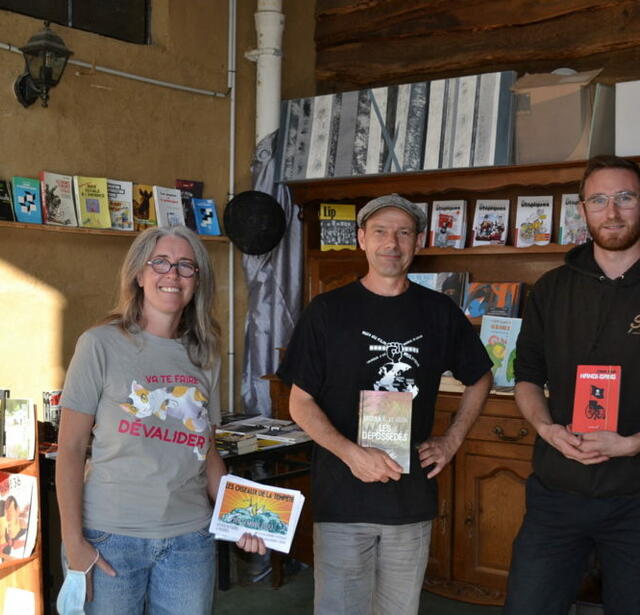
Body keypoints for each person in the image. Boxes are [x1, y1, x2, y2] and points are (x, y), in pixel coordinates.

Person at [277, 194, 492, 615]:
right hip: (342, 498)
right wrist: (352, 455)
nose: (391, 242)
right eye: (380, 231)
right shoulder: (326, 311)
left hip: (408, 500)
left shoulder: (440, 311)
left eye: (403, 232)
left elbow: (480, 376)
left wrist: (451, 440)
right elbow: (299, 402)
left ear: (418, 242)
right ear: (361, 239)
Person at [56, 225, 264, 615]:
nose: (173, 275)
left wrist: (241, 519)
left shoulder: (206, 354)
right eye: (161, 263)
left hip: (190, 540)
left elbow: (207, 450)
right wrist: (73, 542)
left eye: (187, 266)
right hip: (110, 537)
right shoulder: (99, 344)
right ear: (139, 273)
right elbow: (69, 449)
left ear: (198, 280)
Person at [503, 155, 640, 615]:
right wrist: (547, 431)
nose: (613, 211)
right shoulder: (551, 289)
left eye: (625, 197)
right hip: (556, 496)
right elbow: (526, 378)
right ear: (582, 210)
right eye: (599, 200)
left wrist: (631, 445)